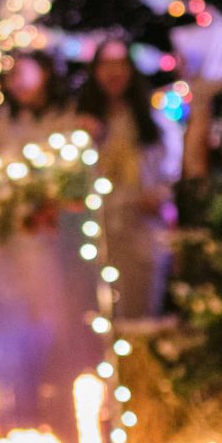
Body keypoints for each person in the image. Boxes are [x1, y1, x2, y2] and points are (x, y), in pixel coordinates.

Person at [78, 39, 175, 320]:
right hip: (97, 235)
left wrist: (160, 195)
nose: (113, 72)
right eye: (106, 65)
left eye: (120, 64)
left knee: (139, 315)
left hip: (141, 233)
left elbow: (169, 176)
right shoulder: (82, 124)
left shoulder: (154, 121)